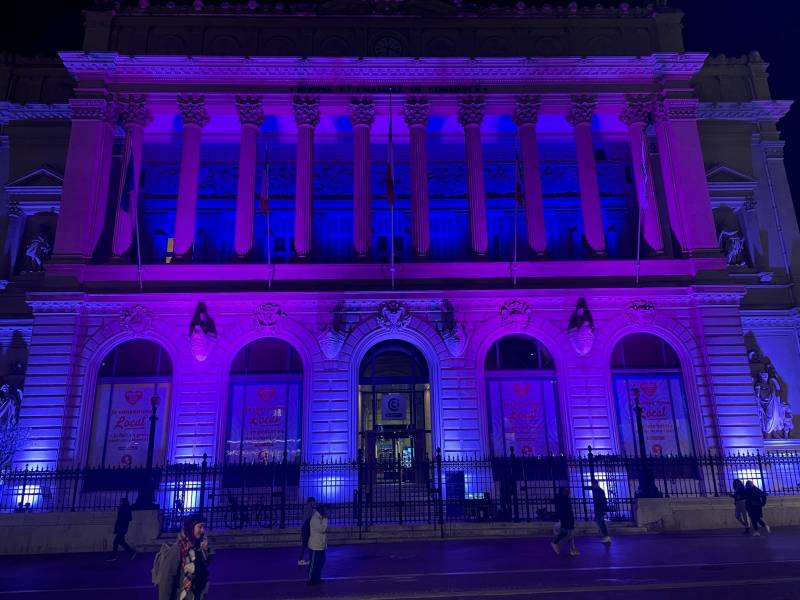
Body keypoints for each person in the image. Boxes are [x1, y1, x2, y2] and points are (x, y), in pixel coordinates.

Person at [156, 513, 211, 600]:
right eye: (200, 527)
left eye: (204, 527)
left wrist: (205, 551)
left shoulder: (197, 548)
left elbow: (203, 570)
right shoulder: (178, 549)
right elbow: (166, 581)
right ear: (191, 528)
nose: (203, 530)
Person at [550, 487, 579, 556]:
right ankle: (556, 543)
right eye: (566, 490)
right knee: (568, 534)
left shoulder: (563, 498)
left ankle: (571, 549)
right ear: (562, 491)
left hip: (567, 519)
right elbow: (564, 511)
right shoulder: (563, 499)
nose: (568, 491)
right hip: (566, 519)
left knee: (568, 534)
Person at [106, 497, 137, 561]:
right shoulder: (127, 508)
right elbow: (129, 518)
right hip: (123, 528)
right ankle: (131, 552)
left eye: (121, 501)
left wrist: (117, 528)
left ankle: (114, 556)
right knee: (121, 542)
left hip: (121, 528)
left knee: (116, 542)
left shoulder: (123, 508)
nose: (120, 502)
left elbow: (119, 519)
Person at [307, 504, 329, 585]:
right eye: (326, 510)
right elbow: (322, 529)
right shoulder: (315, 519)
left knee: (321, 561)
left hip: (321, 545)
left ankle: (317, 578)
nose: (327, 512)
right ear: (321, 511)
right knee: (314, 563)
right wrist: (326, 519)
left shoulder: (320, 518)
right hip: (315, 546)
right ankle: (310, 580)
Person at [590, 480, 611, 544]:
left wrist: (602, 510)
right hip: (599, 509)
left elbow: (601, 501)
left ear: (595, 484)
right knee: (601, 523)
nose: (592, 486)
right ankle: (606, 537)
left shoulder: (598, 491)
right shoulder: (598, 491)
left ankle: (606, 537)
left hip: (599, 510)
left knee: (601, 523)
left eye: (593, 484)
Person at [298, 496, 316, 566]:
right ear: (311, 502)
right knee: (306, 544)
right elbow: (311, 517)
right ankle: (301, 560)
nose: (314, 503)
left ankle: (306, 559)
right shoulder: (308, 508)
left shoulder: (307, 507)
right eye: (313, 502)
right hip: (306, 528)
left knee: (307, 544)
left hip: (305, 527)